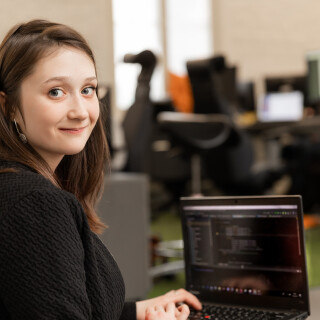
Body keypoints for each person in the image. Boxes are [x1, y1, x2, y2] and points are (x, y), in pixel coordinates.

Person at [0, 20, 202, 319]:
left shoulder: (16, 185)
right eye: (56, 92)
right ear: (9, 107)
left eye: (87, 89)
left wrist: (134, 312)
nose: (81, 111)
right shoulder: (35, 204)